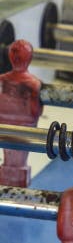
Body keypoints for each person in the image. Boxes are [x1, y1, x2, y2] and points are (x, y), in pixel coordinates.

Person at [0, 39, 42, 187]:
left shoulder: (2, 81)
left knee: (10, 158)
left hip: (6, 124)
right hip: (24, 125)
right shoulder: (34, 84)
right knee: (18, 159)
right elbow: (36, 110)